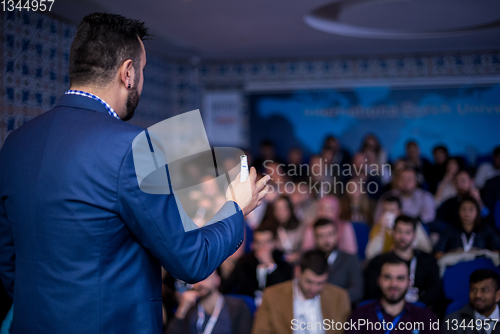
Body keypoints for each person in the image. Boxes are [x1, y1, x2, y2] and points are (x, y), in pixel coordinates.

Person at [0, 13, 270, 333]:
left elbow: (8, 261)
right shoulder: (134, 147)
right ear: (128, 73)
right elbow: (190, 262)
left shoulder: (15, 143)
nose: (140, 80)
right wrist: (236, 209)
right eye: (142, 71)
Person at [252, 250, 351, 334]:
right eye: (309, 282)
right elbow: (261, 331)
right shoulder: (273, 295)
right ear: (298, 272)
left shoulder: (339, 297)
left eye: (320, 283)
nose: (314, 289)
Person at [346, 254, 440, 334]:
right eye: (388, 277)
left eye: (400, 278)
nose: (394, 284)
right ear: (378, 280)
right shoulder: (361, 314)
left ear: (409, 282)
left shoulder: (424, 316)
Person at [364, 215, 441, 307]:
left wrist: (417, 308)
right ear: (393, 233)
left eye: (407, 232)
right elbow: (371, 290)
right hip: (386, 310)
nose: (403, 236)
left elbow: (434, 289)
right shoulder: (378, 262)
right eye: (399, 231)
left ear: (414, 235)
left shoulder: (427, 261)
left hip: (419, 311)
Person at [219, 225, 293, 306]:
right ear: (253, 245)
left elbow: (286, 291)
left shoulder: (283, 263)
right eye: (259, 242)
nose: (262, 247)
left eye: (267, 242)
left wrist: (270, 265)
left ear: (274, 243)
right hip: (248, 308)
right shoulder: (244, 263)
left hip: (275, 307)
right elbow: (226, 288)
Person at [166, 271, 252, 334]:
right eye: (195, 280)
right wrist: (182, 309)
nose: (199, 283)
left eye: (205, 278)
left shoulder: (237, 306)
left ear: (217, 280)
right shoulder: (190, 308)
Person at [313, 218, 364, 305]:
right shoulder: (308, 260)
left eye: (330, 234)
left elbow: (357, 291)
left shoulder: (350, 259)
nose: (326, 240)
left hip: (341, 309)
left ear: (337, 235)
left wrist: (332, 299)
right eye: (321, 236)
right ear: (315, 239)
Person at [366, 196, 432, 259]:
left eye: (392, 211)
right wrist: (382, 230)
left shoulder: (412, 224)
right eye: (385, 211)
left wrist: (406, 249)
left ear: (399, 212)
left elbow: (427, 249)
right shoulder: (378, 227)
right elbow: (370, 255)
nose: (388, 214)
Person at [434, 197, 500, 259]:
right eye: (463, 209)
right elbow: (438, 253)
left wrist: (480, 252)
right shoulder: (450, 229)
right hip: (456, 266)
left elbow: (497, 250)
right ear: (458, 211)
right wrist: (454, 252)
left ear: (477, 211)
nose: (467, 214)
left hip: (480, 264)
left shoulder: (485, 228)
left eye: (471, 210)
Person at [444, 269, 500, 334]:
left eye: (484, 290)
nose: (478, 295)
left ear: (497, 295)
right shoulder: (452, 322)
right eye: (473, 290)